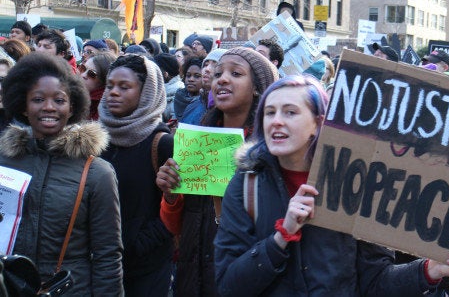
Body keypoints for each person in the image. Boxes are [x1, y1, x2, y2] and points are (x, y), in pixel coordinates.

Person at [212, 74, 449, 296]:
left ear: (319, 123)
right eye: (269, 113)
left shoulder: (357, 185)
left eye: (290, 112)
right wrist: (282, 236)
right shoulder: (247, 184)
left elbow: (375, 281)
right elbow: (228, 285)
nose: (276, 121)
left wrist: (429, 270)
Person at [157, 47, 279, 296]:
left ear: (258, 87)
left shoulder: (272, 151)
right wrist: (170, 195)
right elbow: (176, 226)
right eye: (218, 73)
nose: (221, 78)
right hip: (192, 278)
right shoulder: (196, 141)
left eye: (236, 73)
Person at [0, 52, 123, 295]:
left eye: (59, 100)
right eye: (37, 99)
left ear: (72, 107)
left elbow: (108, 255)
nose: (48, 107)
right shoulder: (4, 162)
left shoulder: (97, 174)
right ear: (23, 106)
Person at [98, 54, 174, 296]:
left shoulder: (162, 144)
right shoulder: (95, 139)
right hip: (101, 264)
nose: (113, 92)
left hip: (146, 270)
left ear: (146, 92)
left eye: (124, 86)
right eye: (109, 86)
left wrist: (139, 244)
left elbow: (177, 206)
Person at [79, 51, 117, 120]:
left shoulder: (107, 108)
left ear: (104, 80)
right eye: (83, 68)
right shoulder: (73, 95)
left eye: (92, 74)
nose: (83, 75)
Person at [154, 53, 185, 122]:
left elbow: (173, 123)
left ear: (165, 74)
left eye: (155, 71)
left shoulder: (178, 93)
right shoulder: (155, 90)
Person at [178, 58, 206, 125]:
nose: (191, 79)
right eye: (188, 75)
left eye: (197, 76)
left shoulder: (206, 104)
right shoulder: (178, 97)